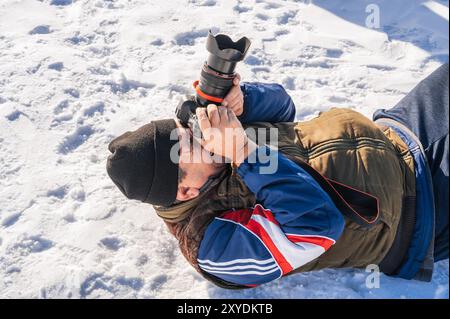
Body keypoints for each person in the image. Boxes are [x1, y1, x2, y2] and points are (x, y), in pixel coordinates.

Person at [106, 64, 448, 289]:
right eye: (188, 146)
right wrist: (243, 153)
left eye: (187, 130)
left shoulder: (218, 151)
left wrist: (245, 103)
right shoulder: (213, 245)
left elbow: (284, 110)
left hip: (398, 130)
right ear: (184, 190)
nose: (201, 135)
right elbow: (314, 229)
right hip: (423, 209)